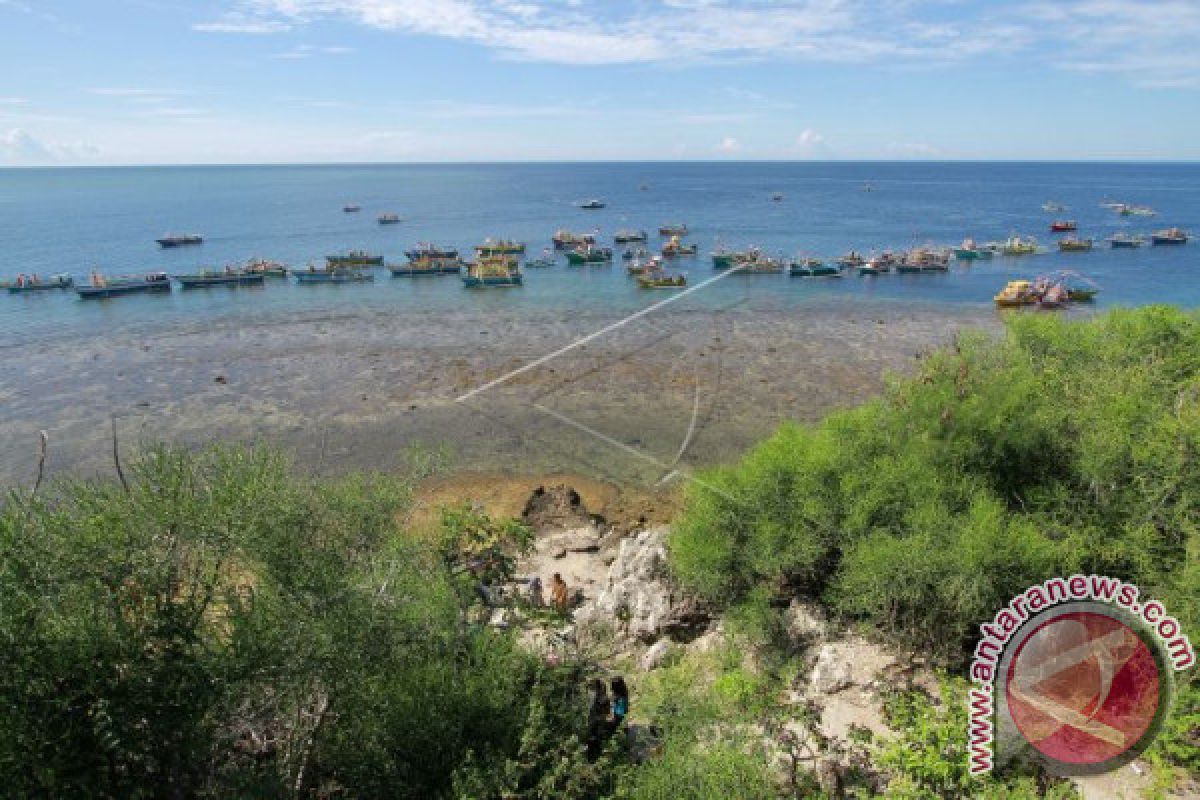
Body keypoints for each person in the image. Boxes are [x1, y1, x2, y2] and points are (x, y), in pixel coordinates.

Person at [585, 678, 610, 761]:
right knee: (596, 741)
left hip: (594, 723)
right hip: (598, 723)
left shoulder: (596, 698)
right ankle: (595, 758)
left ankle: (592, 758)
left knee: (592, 740)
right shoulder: (604, 698)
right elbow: (607, 712)